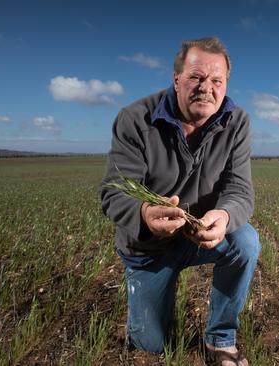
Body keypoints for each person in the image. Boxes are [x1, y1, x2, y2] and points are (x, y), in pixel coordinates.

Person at [100, 37, 260, 366]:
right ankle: (149, 311)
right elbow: (114, 191)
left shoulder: (237, 122)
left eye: (217, 80)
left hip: (198, 237)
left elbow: (240, 188)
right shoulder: (135, 119)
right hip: (149, 247)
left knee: (245, 241)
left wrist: (225, 217)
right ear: (176, 79)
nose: (207, 87)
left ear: (226, 82)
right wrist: (144, 213)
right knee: (151, 345)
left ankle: (221, 340)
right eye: (196, 77)